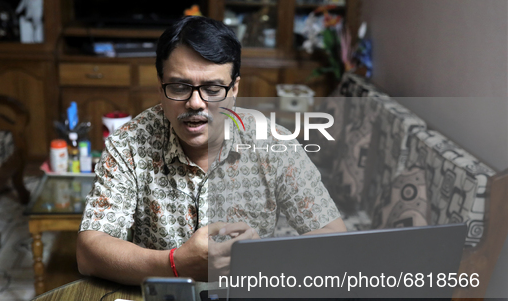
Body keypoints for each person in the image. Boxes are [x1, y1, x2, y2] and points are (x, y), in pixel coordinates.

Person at [77, 16, 346, 285]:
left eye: (213, 89)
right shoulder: (128, 144)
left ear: (234, 89)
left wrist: (262, 258)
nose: (195, 103)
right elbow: (89, 251)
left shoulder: (274, 143)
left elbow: (332, 236)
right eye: (180, 87)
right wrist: (177, 264)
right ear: (160, 88)